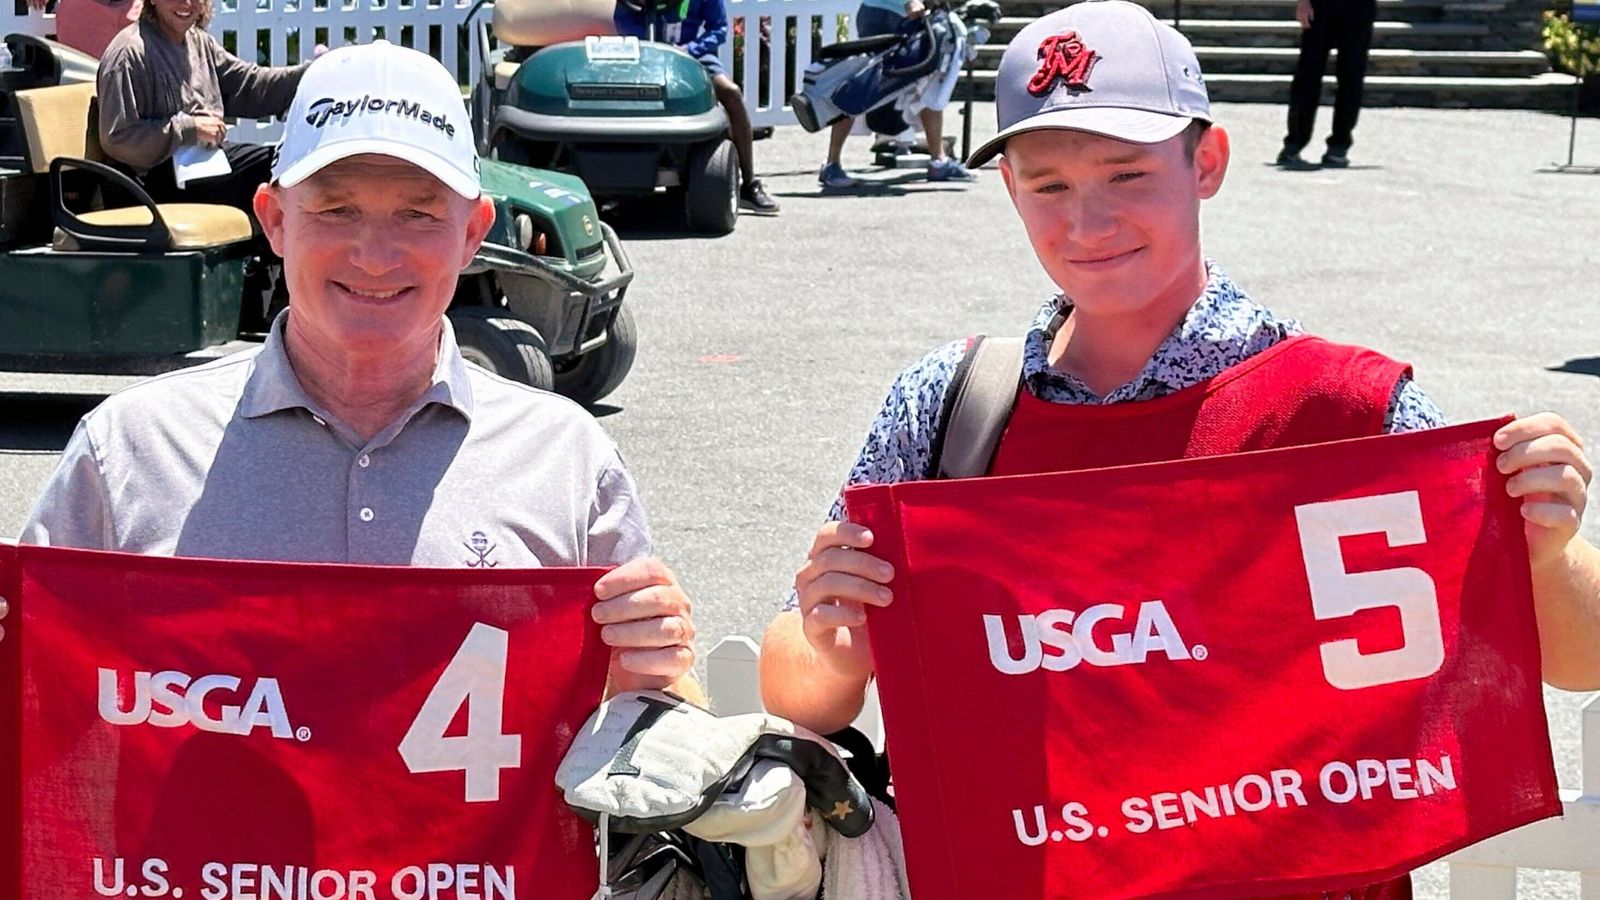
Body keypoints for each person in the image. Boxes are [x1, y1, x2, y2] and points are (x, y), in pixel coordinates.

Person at [759, 2, 1600, 894]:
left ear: (1207, 163)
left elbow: (1579, 657)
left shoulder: (1346, 406)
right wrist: (835, 645)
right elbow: (794, 682)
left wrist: (1545, 550)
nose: (1088, 222)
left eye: (1126, 174)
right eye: (1048, 185)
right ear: (1009, 187)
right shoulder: (952, 405)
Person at [20, 41, 699, 701]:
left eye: (418, 213)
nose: (375, 256)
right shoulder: (131, 452)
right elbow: (38, 701)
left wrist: (650, 675)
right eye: (336, 209)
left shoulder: (565, 460)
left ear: (472, 232)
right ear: (275, 220)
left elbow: (656, 721)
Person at [95, 0, 311, 215]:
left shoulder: (199, 42)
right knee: (271, 171)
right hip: (152, 184)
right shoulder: (129, 53)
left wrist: (310, 75)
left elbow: (249, 86)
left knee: (284, 162)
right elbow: (117, 138)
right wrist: (190, 128)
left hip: (205, 164)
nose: (186, 3)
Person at [613, 0, 781, 216]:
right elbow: (623, 21)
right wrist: (648, 46)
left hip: (692, 55)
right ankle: (617, 182)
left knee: (731, 92)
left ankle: (749, 183)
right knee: (618, 93)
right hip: (646, 56)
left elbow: (718, 29)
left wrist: (689, 49)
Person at [817, 0, 975, 190]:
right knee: (865, 83)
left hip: (887, 11)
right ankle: (938, 162)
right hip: (894, 13)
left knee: (918, 77)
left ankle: (938, 159)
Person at [1276, 0, 1378, 168]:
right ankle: (1294, 143)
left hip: (1359, 8)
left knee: (1351, 77)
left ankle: (1339, 145)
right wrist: (1303, 2)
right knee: (1308, 74)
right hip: (1320, 6)